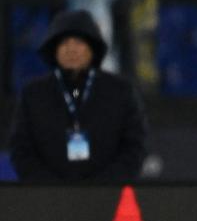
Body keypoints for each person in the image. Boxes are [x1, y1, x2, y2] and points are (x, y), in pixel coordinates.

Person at [8, 10, 148, 182]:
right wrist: (48, 188)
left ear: (92, 48)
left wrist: (102, 187)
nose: (71, 49)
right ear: (54, 50)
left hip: (108, 199)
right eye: (64, 42)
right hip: (47, 201)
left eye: (79, 42)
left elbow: (135, 147)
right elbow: (21, 150)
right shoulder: (33, 94)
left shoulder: (121, 92)